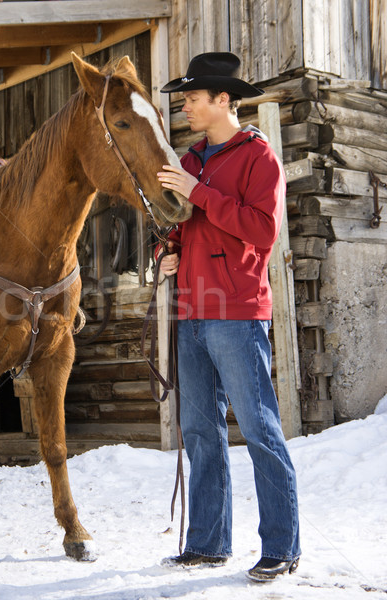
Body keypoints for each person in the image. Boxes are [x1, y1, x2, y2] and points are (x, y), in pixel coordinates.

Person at [156, 52, 300, 583]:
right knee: (199, 431)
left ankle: (282, 547)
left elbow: (263, 231)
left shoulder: (259, 157)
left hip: (236, 313)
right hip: (190, 312)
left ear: (222, 100)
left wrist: (199, 194)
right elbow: (174, 226)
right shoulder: (190, 159)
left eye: (192, 99)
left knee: (260, 429)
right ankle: (209, 543)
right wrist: (163, 254)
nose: (185, 108)